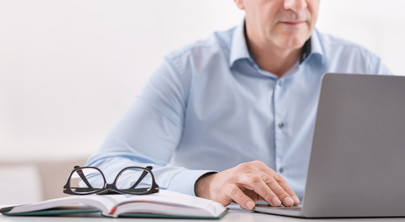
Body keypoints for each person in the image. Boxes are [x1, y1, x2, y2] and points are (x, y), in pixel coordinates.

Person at [86, 0, 391, 210]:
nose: (295, 5)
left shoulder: (361, 65)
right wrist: (206, 184)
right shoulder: (187, 70)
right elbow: (103, 170)